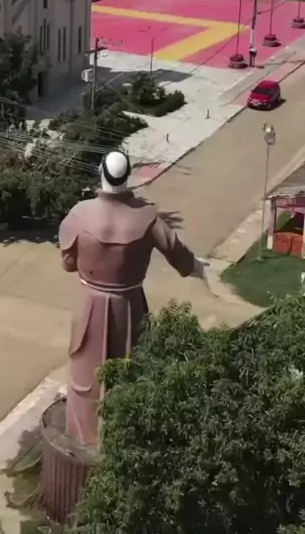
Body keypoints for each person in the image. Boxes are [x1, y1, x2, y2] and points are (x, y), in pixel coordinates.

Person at [59, 150, 209, 446]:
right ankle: (124, 441)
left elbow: (68, 263)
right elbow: (180, 256)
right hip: (130, 306)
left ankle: (83, 436)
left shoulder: (79, 214)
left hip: (90, 305)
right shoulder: (147, 216)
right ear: (128, 176)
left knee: (86, 373)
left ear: (100, 172)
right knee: (131, 370)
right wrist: (200, 269)